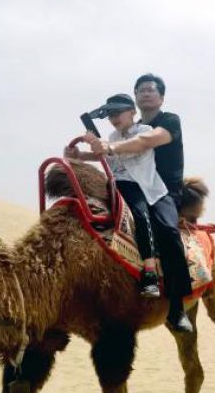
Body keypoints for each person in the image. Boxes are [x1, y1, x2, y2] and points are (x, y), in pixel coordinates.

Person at [71, 74, 194, 333]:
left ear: (161, 97)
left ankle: (177, 306)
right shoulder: (123, 131)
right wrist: (82, 154)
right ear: (135, 99)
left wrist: (109, 147)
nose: (146, 93)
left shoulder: (165, 123)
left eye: (151, 89)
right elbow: (114, 156)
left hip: (162, 191)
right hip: (127, 186)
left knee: (167, 232)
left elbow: (144, 143)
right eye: (141, 90)